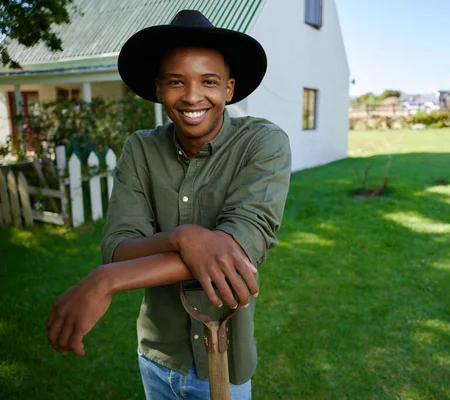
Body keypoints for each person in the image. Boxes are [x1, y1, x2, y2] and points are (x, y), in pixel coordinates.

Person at [46, 9, 292, 399]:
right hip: (157, 356)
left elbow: (240, 252)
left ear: (229, 89)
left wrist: (105, 282)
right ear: (159, 88)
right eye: (177, 82)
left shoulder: (263, 143)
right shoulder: (140, 148)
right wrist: (184, 237)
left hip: (224, 361)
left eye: (208, 81)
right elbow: (118, 247)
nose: (193, 96)